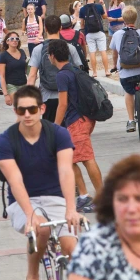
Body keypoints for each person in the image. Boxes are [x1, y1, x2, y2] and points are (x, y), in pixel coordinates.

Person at [0, 85, 81, 280]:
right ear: (15, 111)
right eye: (21, 110)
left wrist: (71, 209)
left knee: (72, 250)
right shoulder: (4, 141)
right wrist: (30, 214)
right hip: (22, 202)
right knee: (40, 229)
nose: (27, 115)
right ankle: (32, 276)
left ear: (41, 109)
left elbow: (66, 171)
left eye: (32, 109)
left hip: (56, 198)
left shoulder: (58, 134)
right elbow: (15, 180)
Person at [48, 39, 102, 213]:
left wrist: (56, 126)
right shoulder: (74, 70)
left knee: (86, 158)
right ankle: (84, 196)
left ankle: (99, 198)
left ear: (52, 56)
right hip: (84, 119)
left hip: (77, 121)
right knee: (69, 159)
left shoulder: (62, 75)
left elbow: (62, 104)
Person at [110, 6, 140, 133]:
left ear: (123, 20)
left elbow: (114, 54)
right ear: (135, 19)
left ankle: (131, 121)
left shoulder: (117, 35)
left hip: (125, 75)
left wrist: (115, 66)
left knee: (129, 92)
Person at [27, 15, 83, 122]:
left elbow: (32, 75)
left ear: (45, 29)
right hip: (68, 96)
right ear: (60, 28)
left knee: (50, 132)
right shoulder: (69, 48)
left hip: (47, 97)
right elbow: (78, 71)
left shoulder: (39, 49)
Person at [79, 0, 110, 77]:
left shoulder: (82, 9)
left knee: (92, 52)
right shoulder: (98, 6)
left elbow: (82, 24)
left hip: (89, 33)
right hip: (99, 31)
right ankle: (107, 71)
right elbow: (104, 17)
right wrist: (103, 5)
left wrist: (83, 33)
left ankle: (95, 72)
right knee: (103, 51)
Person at [0, 31, 27, 106]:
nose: (14, 40)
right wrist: (5, 94)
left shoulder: (22, 52)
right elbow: (2, 76)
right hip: (11, 85)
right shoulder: (3, 56)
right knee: (19, 106)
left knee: (26, 106)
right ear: (7, 41)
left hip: (24, 84)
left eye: (17, 39)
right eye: (12, 39)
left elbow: (26, 68)